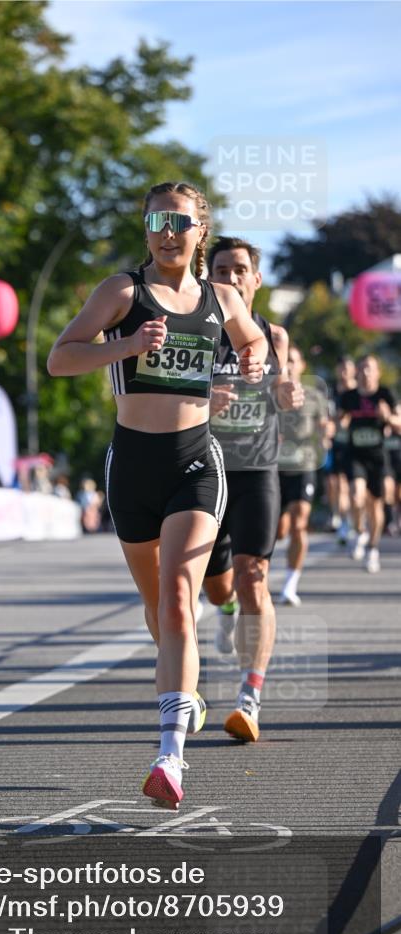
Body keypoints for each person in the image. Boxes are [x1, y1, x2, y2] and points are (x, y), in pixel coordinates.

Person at [47, 182, 267, 808]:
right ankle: (187, 693)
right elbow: (60, 360)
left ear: (202, 231)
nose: (168, 232)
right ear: (146, 228)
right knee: (159, 611)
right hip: (131, 467)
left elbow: (254, 342)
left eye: (181, 222)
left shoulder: (222, 298)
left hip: (196, 461)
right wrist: (126, 345)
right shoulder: (122, 292)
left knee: (178, 595)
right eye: (157, 220)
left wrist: (252, 361)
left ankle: (170, 756)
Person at [201, 237, 303, 742]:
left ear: (256, 280)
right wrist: (203, 404)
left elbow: (284, 395)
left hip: (259, 470)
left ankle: (249, 695)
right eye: (221, 268)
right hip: (205, 470)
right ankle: (222, 609)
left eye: (240, 269)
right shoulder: (195, 330)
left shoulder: (274, 336)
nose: (232, 276)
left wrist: (289, 394)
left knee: (253, 576)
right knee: (219, 587)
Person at [276, 344, 329, 606]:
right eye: (284, 361)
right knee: (279, 531)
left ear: (302, 365)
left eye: (293, 361)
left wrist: (326, 434)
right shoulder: (271, 394)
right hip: (275, 468)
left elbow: (324, 425)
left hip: (304, 465)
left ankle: (289, 584)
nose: (289, 365)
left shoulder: (314, 396)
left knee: (299, 523)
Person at [338, 355, 401, 573]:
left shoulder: (385, 395)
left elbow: (399, 425)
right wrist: (334, 424)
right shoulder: (348, 396)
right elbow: (340, 420)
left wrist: (388, 418)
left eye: (370, 369)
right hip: (355, 455)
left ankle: (373, 548)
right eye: (362, 368)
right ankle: (360, 530)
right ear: (357, 372)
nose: (365, 373)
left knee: (377, 503)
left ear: (378, 372)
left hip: (378, 457)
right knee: (356, 495)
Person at [326, 356, 357, 545]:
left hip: (353, 444)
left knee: (345, 485)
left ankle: (348, 520)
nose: (344, 372)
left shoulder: (357, 392)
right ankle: (336, 513)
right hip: (334, 442)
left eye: (348, 368)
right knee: (332, 483)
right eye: (341, 368)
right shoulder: (332, 392)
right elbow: (327, 416)